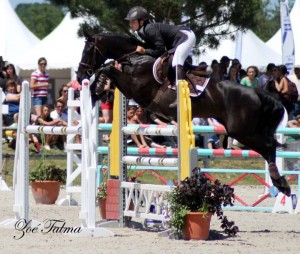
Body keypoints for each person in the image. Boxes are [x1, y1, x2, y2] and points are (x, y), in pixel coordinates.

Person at [125, 6, 196, 81]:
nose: (130, 24)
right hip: (178, 40)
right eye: (130, 21)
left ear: (141, 22)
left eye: (133, 21)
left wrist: (145, 51)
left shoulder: (149, 29)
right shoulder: (142, 32)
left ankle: (181, 91)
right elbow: (155, 49)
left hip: (185, 36)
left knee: (176, 61)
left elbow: (160, 50)